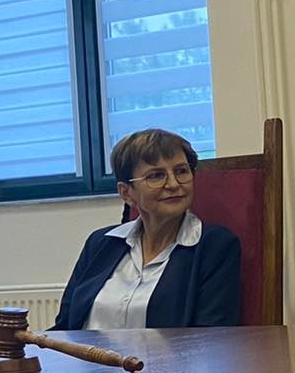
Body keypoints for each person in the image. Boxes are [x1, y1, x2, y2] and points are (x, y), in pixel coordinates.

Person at [53, 128, 242, 331]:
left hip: (168, 354)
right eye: (156, 176)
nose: (173, 184)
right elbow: (65, 327)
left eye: (181, 171)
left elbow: (211, 335)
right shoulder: (100, 243)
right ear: (126, 193)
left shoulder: (215, 247)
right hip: (82, 352)